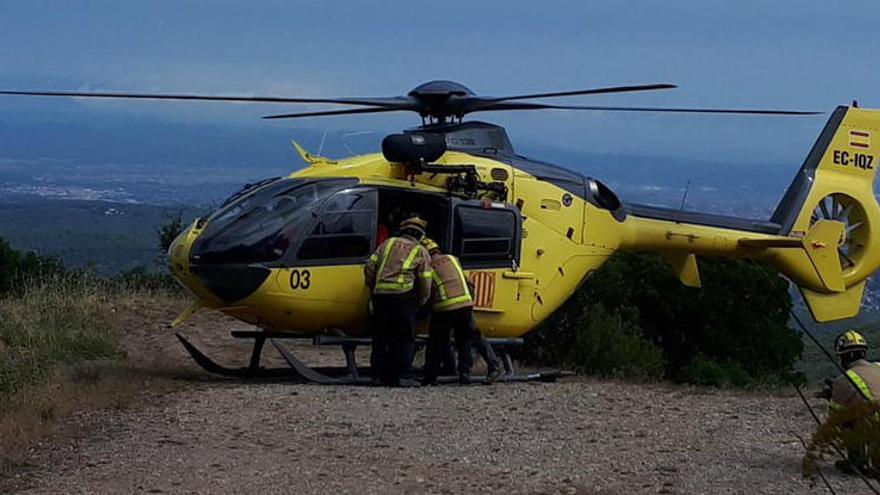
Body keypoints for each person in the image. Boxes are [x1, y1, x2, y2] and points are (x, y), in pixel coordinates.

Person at [421, 237, 502, 385]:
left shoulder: (429, 266)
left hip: (445, 307)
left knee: (436, 340)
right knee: (466, 337)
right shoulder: (452, 259)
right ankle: (468, 373)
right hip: (465, 304)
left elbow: (427, 290)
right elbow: (468, 283)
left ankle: (430, 376)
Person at [364, 216, 433, 387]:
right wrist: (422, 300)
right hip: (403, 297)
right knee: (405, 338)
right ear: (420, 235)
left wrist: (372, 287)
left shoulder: (387, 244)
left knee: (380, 337)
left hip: (381, 296)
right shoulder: (420, 250)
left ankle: (377, 376)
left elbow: (370, 267)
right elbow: (425, 280)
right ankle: (403, 376)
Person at [826, 330, 880, 473]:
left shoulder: (844, 379)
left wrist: (834, 395)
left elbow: (835, 416)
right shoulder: (878, 366)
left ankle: (857, 460)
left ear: (844, 356)